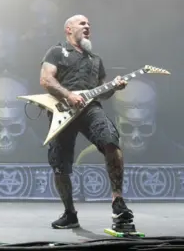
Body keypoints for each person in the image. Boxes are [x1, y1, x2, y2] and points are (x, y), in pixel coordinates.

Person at [39, 14, 133, 229]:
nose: (87, 26)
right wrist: (68, 95)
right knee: (60, 164)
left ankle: (118, 201)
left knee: (111, 141)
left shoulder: (95, 59)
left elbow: (100, 92)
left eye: (89, 24)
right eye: (82, 23)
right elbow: (46, 79)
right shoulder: (57, 51)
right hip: (63, 111)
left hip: (90, 109)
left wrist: (114, 87)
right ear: (68, 29)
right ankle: (69, 213)